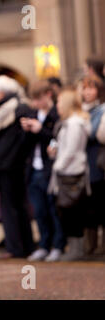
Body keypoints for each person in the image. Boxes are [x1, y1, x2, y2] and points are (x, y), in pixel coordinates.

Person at [0, 75, 35, 258]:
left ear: (1, 93)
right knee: (17, 205)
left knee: (10, 207)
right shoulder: (19, 105)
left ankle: (16, 247)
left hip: (9, 163)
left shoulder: (9, 108)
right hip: (13, 163)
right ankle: (25, 246)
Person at [21, 80, 65, 262]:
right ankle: (44, 245)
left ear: (48, 95)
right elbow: (25, 145)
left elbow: (56, 139)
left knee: (53, 210)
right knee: (39, 211)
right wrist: (27, 130)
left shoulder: (57, 114)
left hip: (50, 170)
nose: (36, 104)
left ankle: (58, 245)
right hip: (33, 169)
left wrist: (40, 130)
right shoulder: (33, 114)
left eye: (38, 99)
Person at [47, 89, 91, 261]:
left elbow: (72, 149)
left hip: (71, 172)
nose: (57, 106)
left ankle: (76, 249)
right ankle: (74, 248)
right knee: (68, 212)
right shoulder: (68, 123)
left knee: (72, 212)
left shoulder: (74, 124)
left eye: (59, 102)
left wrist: (58, 165)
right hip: (66, 170)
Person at [80, 75, 105, 256]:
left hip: (96, 163)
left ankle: (102, 245)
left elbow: (94, 133)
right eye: (85, 88)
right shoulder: (80, 110)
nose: (87, 92)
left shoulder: (100, 110)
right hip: (82, 165)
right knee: (87, 207)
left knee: (100, 204)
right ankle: (90, 244)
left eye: (91, 88)